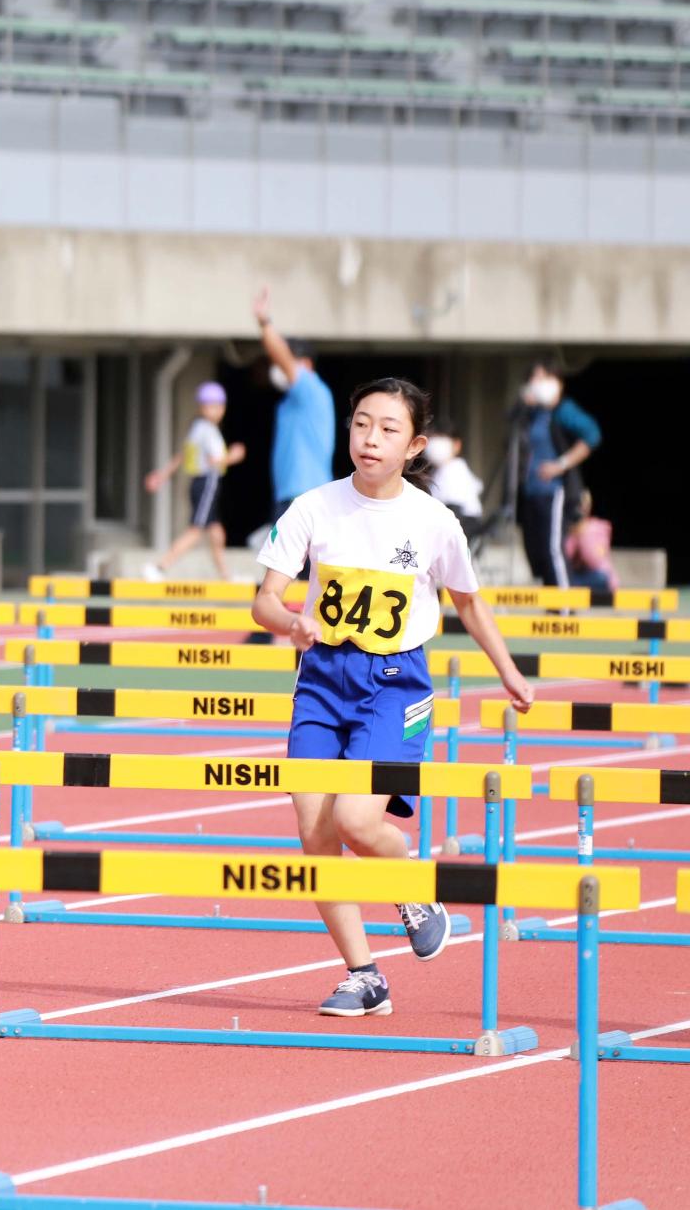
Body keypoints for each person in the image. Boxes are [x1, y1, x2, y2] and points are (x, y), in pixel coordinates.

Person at [252, 377, 532, 1019]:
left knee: (356, 819)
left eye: (387, 429)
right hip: (322, 680)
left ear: (414, 445)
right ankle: (363, 975)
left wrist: (509, 673)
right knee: (314, 833)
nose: (370, 439)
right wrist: (291, 621)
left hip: (394, 683)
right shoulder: (313, 508)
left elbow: (468, 604)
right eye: (360, 424)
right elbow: (264, 600)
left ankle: (415, 889)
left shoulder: (433, 522)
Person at [254, 288, 336, 557]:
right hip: (289, 496)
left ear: (307, 364)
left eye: (288, 360)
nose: (278, 366)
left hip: (305, 494)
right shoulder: (289, 401)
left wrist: (265, 323)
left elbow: (282, 358)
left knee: (297, 574)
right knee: (286, 575)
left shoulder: (311, 389)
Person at [506, 359, 601, 589]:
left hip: (554, 490)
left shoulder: (562, 410)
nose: (537, 384)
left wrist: (561, 463)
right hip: (531, 491)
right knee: (535, 551)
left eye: (543, 378)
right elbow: (510, 427)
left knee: (552, 549)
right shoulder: (532, 413)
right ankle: (552, 604)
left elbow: (592, 434)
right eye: (534, 378)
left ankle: (564, 607)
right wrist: (523, 405)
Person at [142, 381, 246, 581]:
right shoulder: (208, 431)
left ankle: (225, 575)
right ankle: (160, 567)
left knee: (216, 531)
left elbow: (181, 456)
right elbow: (215, 460)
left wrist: (162, 475)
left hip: (201, 483)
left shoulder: (196, 428)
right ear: (202, 407)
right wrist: (235, 455)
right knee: (196, 530)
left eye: (219, 406)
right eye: (211, 406)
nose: (216, 410)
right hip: (207, 483)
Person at [424, 420, 484, 526]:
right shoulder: (439, 471)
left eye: (441, 439)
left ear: (457, 445)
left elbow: (455, 510)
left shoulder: (455, 471)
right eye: (433, 439)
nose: (435, 446)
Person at [564, 491, 618, 607]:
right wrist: (572, 536)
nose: (580, 508)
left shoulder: (600, 527)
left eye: (583, 504)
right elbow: (565, 558)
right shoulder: (568, 530)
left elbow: (595, 561)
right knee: (564, 579)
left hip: (597, 576)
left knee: (600, 578)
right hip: (577, 575)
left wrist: (583, 535)